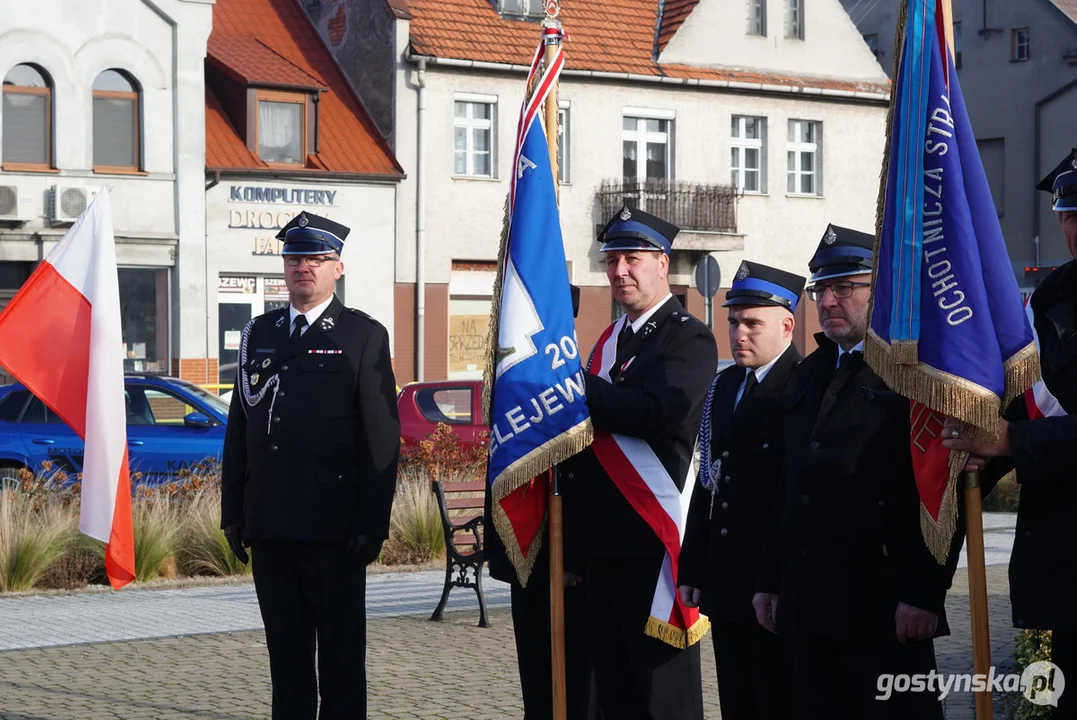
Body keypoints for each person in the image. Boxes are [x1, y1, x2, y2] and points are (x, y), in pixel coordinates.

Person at [753, 224, 961, 720]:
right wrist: (769, 578)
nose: (828, 301)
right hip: (809, 604)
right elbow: (789, 489)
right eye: (821, 290)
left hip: (883, 608)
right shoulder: (810, 373)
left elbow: (940, 493)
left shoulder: (914, 372)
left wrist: (922, 594)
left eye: (845, 287)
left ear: (879, 289)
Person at [220, 211, 400, 720]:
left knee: (341, 666)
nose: (304, 267)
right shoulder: (259, 333)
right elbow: (240, 432)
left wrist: (371, 525)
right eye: (295, 257)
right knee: (287, 662)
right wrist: (233, 512)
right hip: (271, 525)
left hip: (333, 530)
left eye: (317, 258)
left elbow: (381, 440)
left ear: (337, 268)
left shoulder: (362, 336)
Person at [562, 205, 716, 720]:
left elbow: (661, 414)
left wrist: (579, 390)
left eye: (632, 258)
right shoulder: (610, 341)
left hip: (653, 543)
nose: (619, 271)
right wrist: (576, 552)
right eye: (611, 260)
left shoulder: (688, 336)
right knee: (615, 695)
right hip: (603, 549)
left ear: (662, 263)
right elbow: (588, 451)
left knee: (662, 698)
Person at [942, 149, 1077, 719]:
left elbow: (1023, 433)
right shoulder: (1055, 298)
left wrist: (1012, 443)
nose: (1076, 226)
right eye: (1069, 213)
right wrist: (976, 443)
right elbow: (1033, 408)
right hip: (1064, 566)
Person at [678, 260, 804, 720]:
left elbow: (789, 495)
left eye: (753, 322)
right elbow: (708, 484)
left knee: (776, 700)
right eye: (734, 322)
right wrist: (692, 566)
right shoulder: (725, 383)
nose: (739, 333)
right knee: (736, 699)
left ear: (787, 325)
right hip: (726, 579)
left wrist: (769, 579)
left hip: (772, 581)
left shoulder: (801, 385)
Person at [484, 283, 599, 720]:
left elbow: (588, 481)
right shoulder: (512, 379)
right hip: (525, 550)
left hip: (569, 560)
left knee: (576, 681)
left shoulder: (579, 384)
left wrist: (574, 556)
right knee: (535, 675)